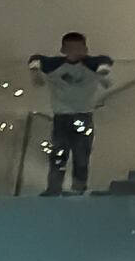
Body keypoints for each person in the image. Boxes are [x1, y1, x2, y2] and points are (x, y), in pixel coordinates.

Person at [32, 32, 112, 193]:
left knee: (81, 155)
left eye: (78, 48)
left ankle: (78, 187)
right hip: (61, 116)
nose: (74, 51)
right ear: (63, 49)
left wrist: (102, 72)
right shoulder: (55, 66)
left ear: (85, 49)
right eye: (71, 48)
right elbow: (37, 65)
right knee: (58, 154)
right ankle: (54, 187)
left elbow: (106, 74)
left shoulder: (92, 66)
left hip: (83, 114)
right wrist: (34, 70)